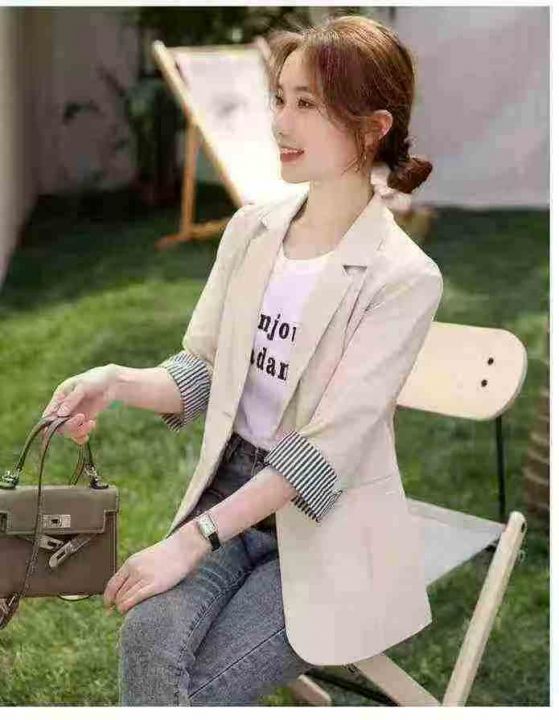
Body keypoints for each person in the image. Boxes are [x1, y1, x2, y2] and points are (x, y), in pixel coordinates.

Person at [41, 15, 442, 706]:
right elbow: (202, 371)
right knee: (148, 638)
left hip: (327, 527)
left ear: (373, 127)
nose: (280, 122)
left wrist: (188, 541)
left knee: (188, 691)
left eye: (307, 104)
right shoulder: (252, 229)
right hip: (230, 490)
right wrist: (115, 381)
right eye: (280, 98)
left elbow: (320, 455)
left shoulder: (402, 278)